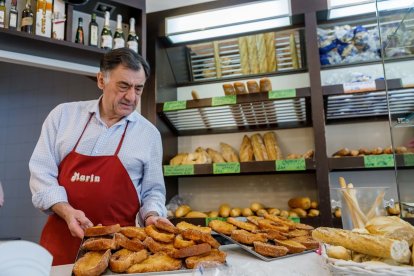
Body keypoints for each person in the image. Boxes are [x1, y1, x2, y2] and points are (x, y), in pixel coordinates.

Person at [29, 48, 170, 265]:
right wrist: (66, 211)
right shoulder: (63, 116)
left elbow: (153, 191)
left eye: (138, 89)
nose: (131, 97)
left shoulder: (148, 134)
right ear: (101, 80)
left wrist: (152, 214)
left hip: (120, 250)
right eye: (123, 86)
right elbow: (41, 173)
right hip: (62, 242)